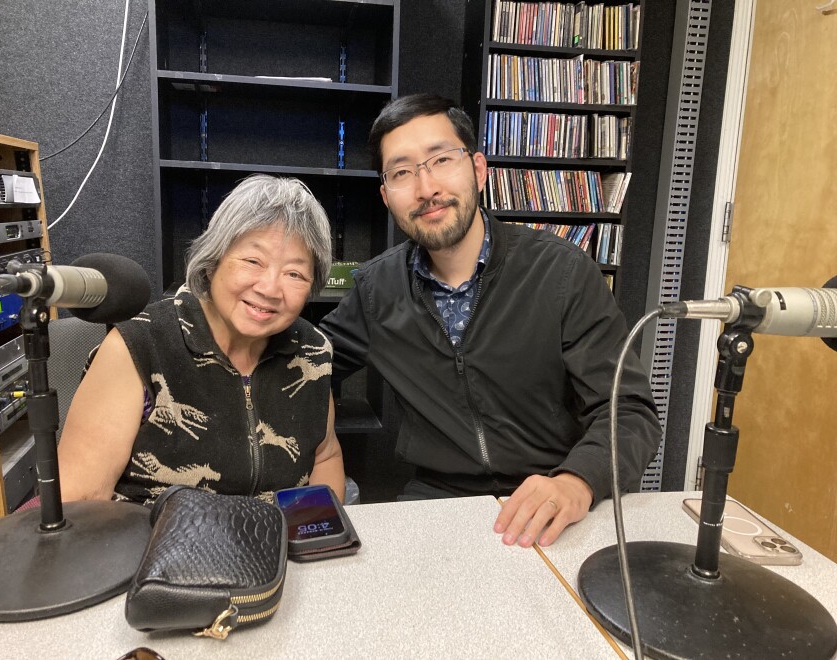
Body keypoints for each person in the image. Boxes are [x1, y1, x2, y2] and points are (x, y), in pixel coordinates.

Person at [319, 94, 661, 546]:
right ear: (386, 196)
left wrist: (578, 482)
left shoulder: (560, 272)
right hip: (438, 500)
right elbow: (303, 364)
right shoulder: (376, 289)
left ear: (478, 169)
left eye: (441, 159)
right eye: (402, 172)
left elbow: (630, 411)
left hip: (555, 494)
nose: (426, 188)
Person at [58, 175, 345, 505]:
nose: (270, 288)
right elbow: (80, 500)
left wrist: (314, 532)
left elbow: (325, 457)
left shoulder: (313, 351)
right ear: (212, 262)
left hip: (274, 545)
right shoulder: (137, 345)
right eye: (253, 261)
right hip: (156, 548)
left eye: (294, 273)